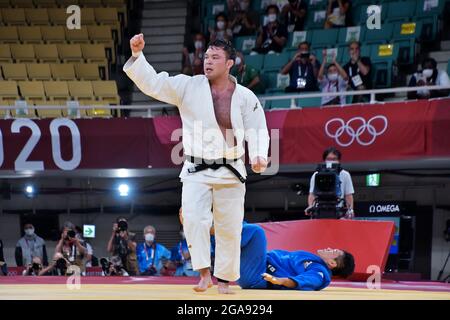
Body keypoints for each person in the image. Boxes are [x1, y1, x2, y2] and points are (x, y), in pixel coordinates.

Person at [124, 35, 269, 294]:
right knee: (192, 219)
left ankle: (224, 279)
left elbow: (258, 129)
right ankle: (204, 274)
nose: (208, 62)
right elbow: (155, 83)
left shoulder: (245, 97)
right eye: (206, 57)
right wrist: (137, 57)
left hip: (231, 168)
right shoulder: (188, 86)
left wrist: (258, 155)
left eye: (215, 58)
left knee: (230, 225)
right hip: (195, 168)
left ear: (230, 63)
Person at [238, 223, 355, 290]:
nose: (329, 248)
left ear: (332, 263)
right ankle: (222, 250)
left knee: (256, 232)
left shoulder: (320, 272)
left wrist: (279, 280)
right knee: (241, 224)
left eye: (333, 251)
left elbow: (309, 280)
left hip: (257, 274)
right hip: (256, 265)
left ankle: (220, 249)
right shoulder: (315, 261)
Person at [306, 147, 355, 219]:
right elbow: (312, 194)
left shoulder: (345, 174)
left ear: (338, 160)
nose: (331, 161)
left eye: (334, 159)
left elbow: (348, 195)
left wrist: (350, 210)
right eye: (329, 159)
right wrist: (310, 207)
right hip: (319, 211)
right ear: (325, 160)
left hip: (338, 211)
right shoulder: (316, 174)